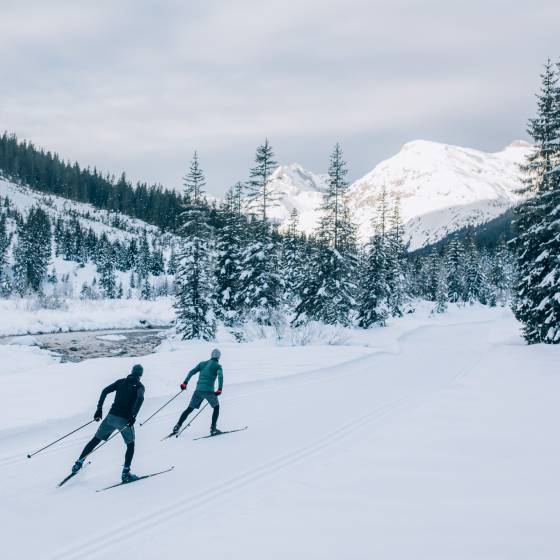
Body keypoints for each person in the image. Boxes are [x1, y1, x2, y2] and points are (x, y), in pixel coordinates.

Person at [71, 364, 145, 482]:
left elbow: (104, 391)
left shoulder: (120, 382)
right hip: (124, 420)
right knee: (130, 445)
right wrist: (133, 416)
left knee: (95, 440)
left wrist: (99, 409)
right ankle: (126, 473)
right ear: (141, 375)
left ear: (131, 371)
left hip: (111, 417)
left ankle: (78, 464)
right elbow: (140, 398)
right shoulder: (140, 386)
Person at [173, 348, 223, 436]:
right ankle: (213, 428)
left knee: (189, 409)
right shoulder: (218, 366)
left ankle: (177, 426)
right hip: (209, 392)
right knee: (216, 407)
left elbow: (191, 372)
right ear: (219, 357)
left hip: (198, 391)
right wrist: (219, 389)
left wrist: (185, 383)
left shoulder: (202, 364)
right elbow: (220, 376)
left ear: (211, 355)